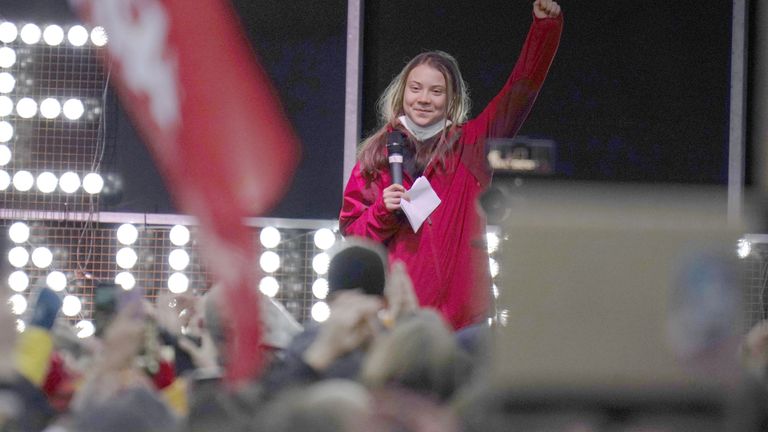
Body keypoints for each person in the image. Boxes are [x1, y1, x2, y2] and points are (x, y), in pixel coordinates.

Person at [339, 0, 563, 330]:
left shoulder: (471, 145)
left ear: (452, 100)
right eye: (415, 89)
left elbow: (522, 88)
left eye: (436, 91)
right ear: (403, 94)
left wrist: (545, 29)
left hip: (464, 323)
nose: (424, 99)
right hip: (400, 322)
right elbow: (352, 236)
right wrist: (382, 211)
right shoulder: (377, 156)